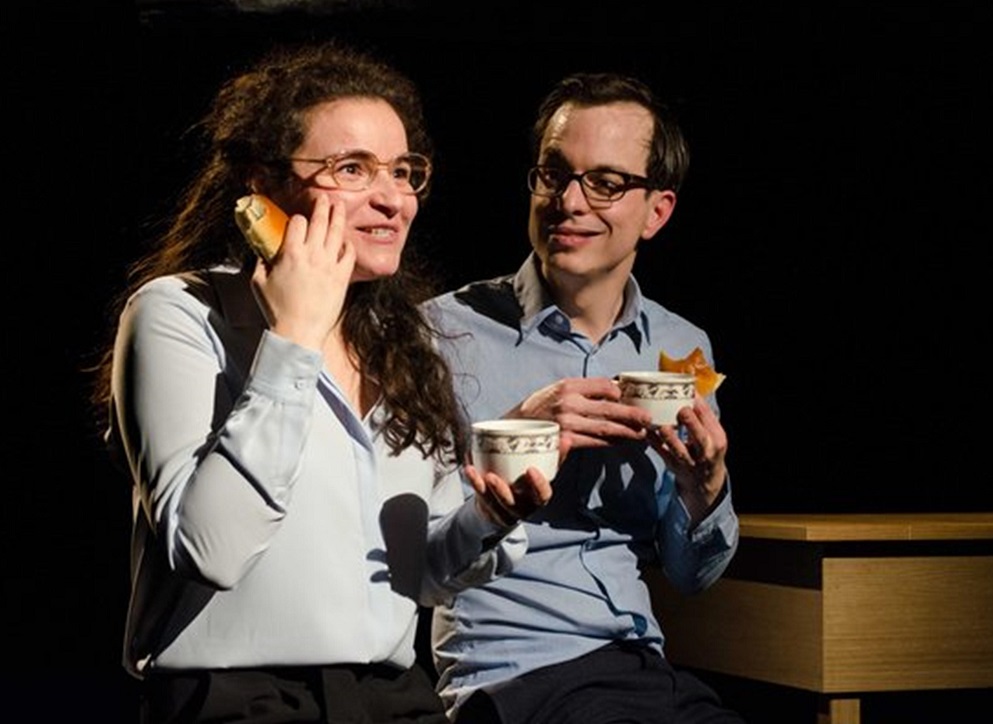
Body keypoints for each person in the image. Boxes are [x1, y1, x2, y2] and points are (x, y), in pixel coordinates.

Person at [94, 42, 550, 724]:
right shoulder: (176, 315)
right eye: (351, 169)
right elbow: (208, 551)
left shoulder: (407, 342)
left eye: (403, 171)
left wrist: (489, 516)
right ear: (262, 187)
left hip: (392, 700)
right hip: (235, 701)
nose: (393, 198)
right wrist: (294, 339)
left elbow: (421, 575)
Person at [423, 73, 743, 723]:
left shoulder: (682, 346)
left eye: (605, 182)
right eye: (554, 174)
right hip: (509, 674)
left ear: (657, 211)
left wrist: (704, 488)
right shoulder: (439, 333)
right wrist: (514, 436)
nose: (569, 201)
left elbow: (691, 577)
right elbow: (413, 561)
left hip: (640, 662)